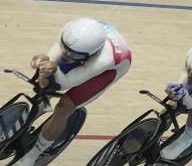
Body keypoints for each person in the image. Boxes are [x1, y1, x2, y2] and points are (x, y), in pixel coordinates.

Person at [11, 19, 132, 166]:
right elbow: (51, 59)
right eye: (66, 49)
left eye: (74, 55)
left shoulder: (103, 60)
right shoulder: (69, 32)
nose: (67, 56)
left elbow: (65, 83)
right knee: (47, 82)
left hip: (112, 68)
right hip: (83, 49)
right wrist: (42, 66)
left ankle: (32, 156)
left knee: (64, 107)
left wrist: (49, 72)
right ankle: (40, 106)